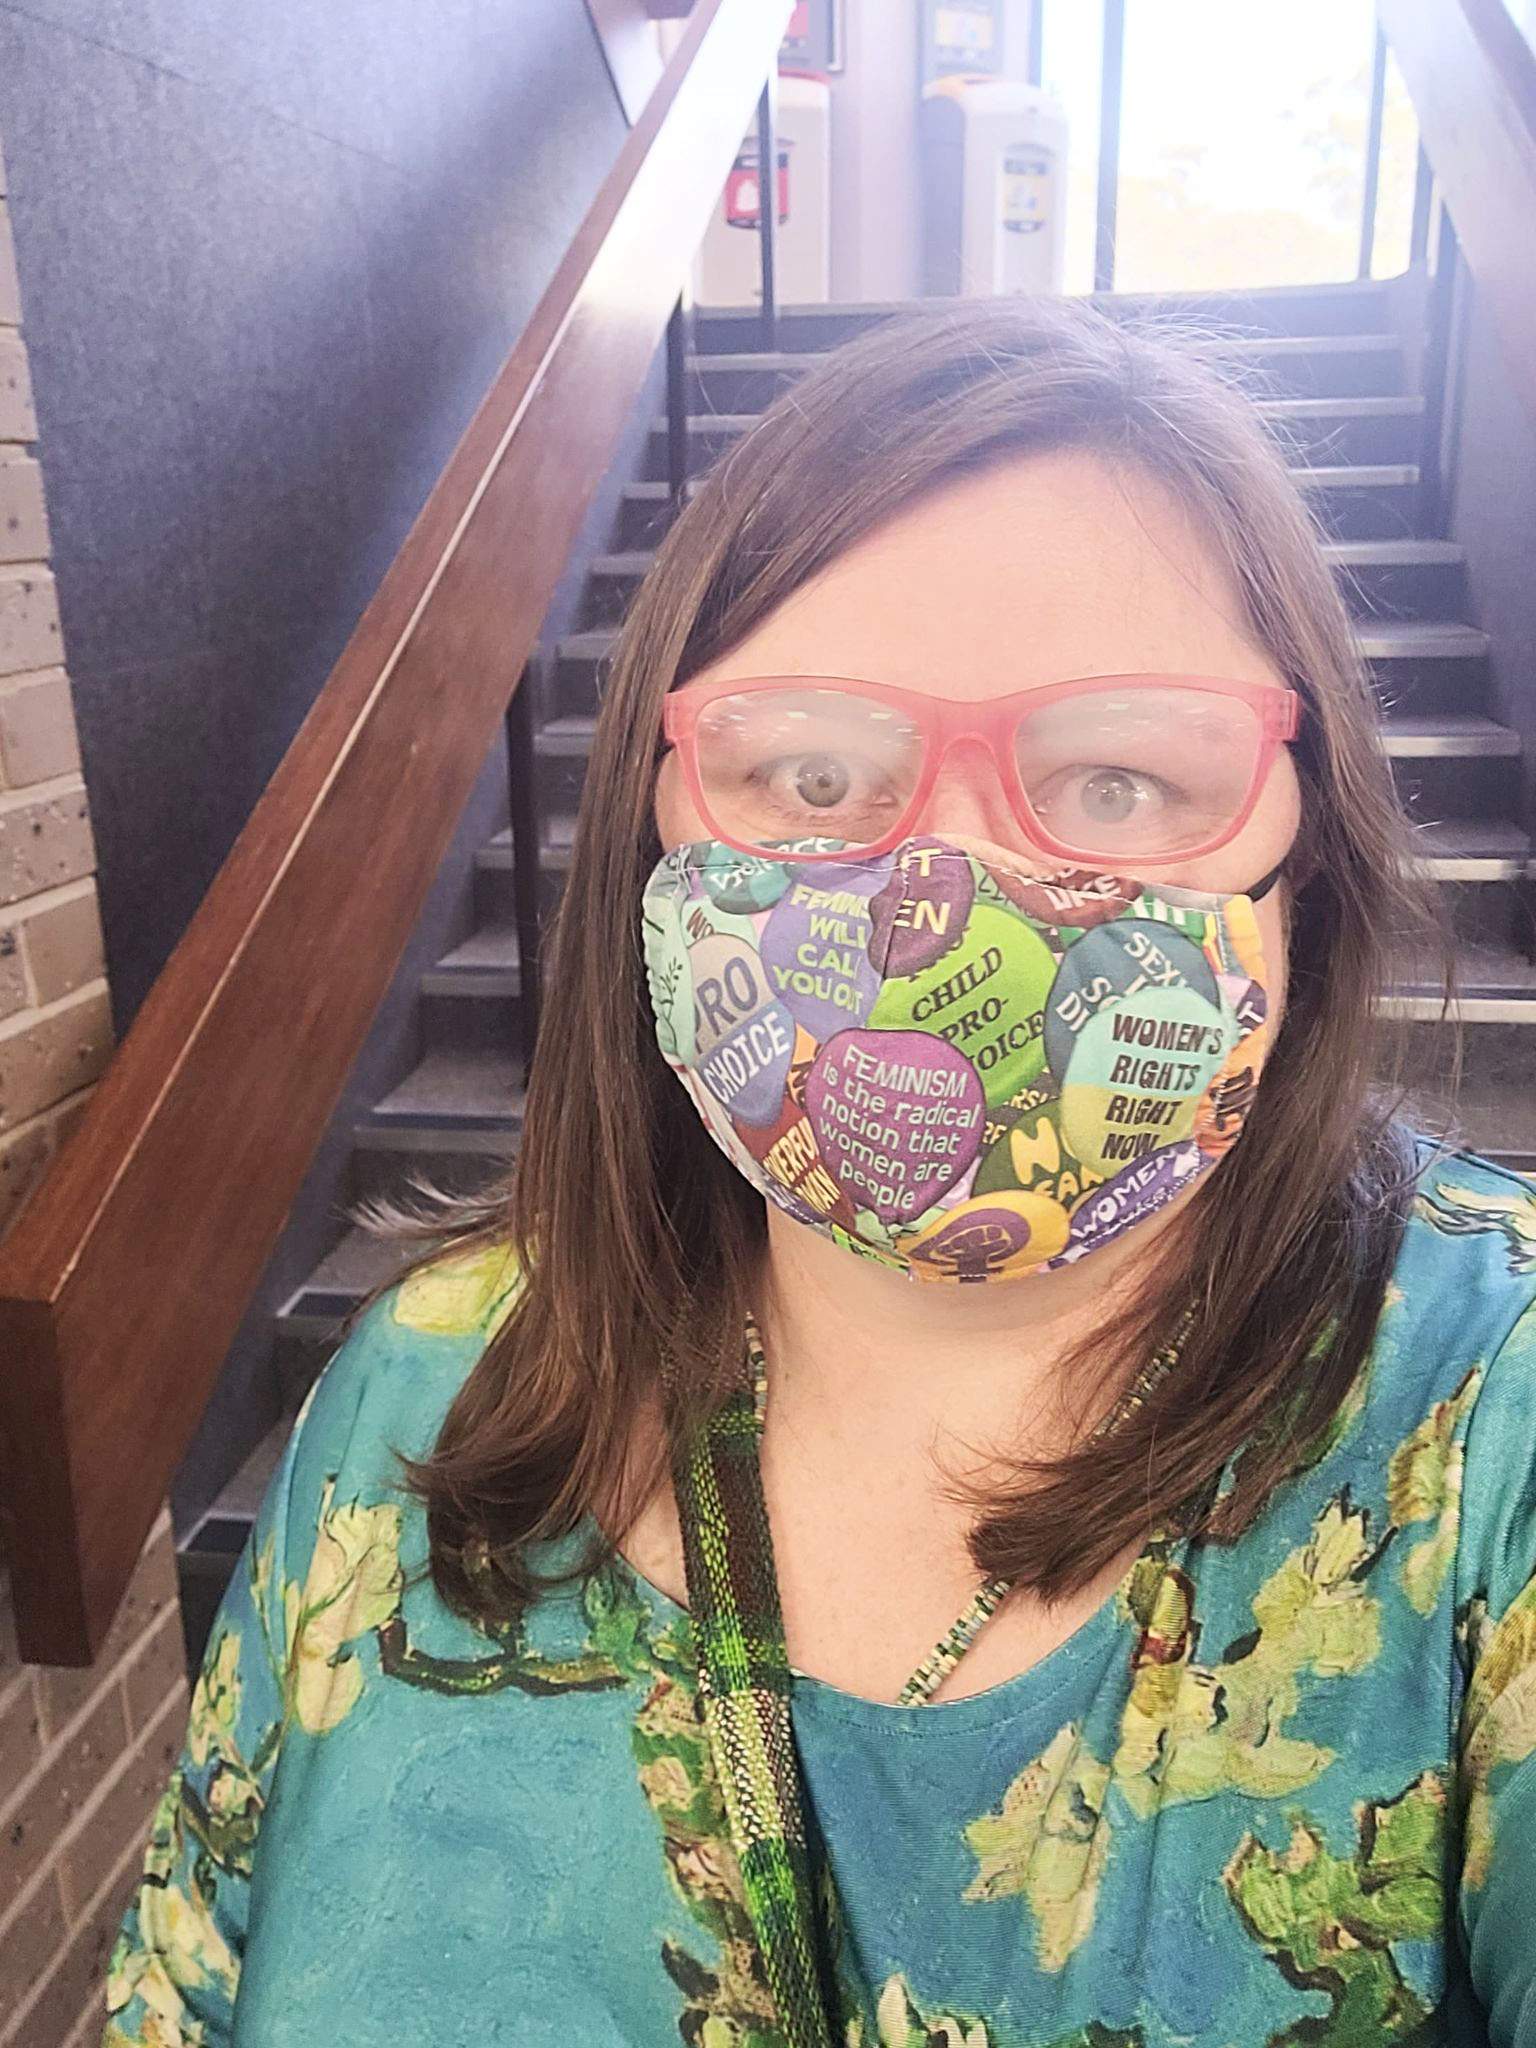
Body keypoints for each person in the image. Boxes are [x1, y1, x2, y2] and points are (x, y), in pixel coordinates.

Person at [103, 298, 1536, 2048]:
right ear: (660, 812)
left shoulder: (1491, 1426)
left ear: (1303, 845)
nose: (947, 874)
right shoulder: (427, 1378)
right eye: (815, 771)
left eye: (1115, 776)